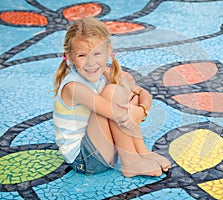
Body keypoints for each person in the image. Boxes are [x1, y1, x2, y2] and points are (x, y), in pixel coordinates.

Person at [53, 17, 171, 177]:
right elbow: (118, 113)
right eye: (82, 55)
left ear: (109, 51)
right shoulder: (73, 87)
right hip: (84, 159)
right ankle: (131, 162)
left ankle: (141, 151)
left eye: (97, 53)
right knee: (112, 93)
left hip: (102, 147)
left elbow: (143, 94)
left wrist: (141, 110)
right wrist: (138, 112)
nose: (91, 62)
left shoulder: (104, 73)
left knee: (125, 94)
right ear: (70, 57)